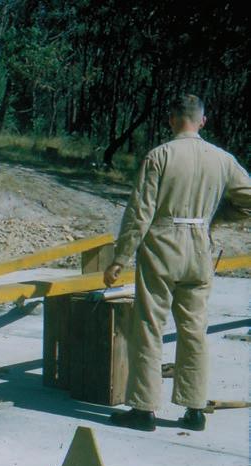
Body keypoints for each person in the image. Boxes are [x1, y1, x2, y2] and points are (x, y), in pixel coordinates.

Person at [103, 94, 250, 431]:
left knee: (149, 327)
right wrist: (216, 216)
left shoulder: (160, 156)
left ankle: (143, 408)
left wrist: (120, 258)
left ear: (172, 119)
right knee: (194, 329)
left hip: (162, 247)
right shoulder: (223, 160)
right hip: (199, 247)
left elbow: (140, 213)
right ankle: (195, 408)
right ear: (202, 121)